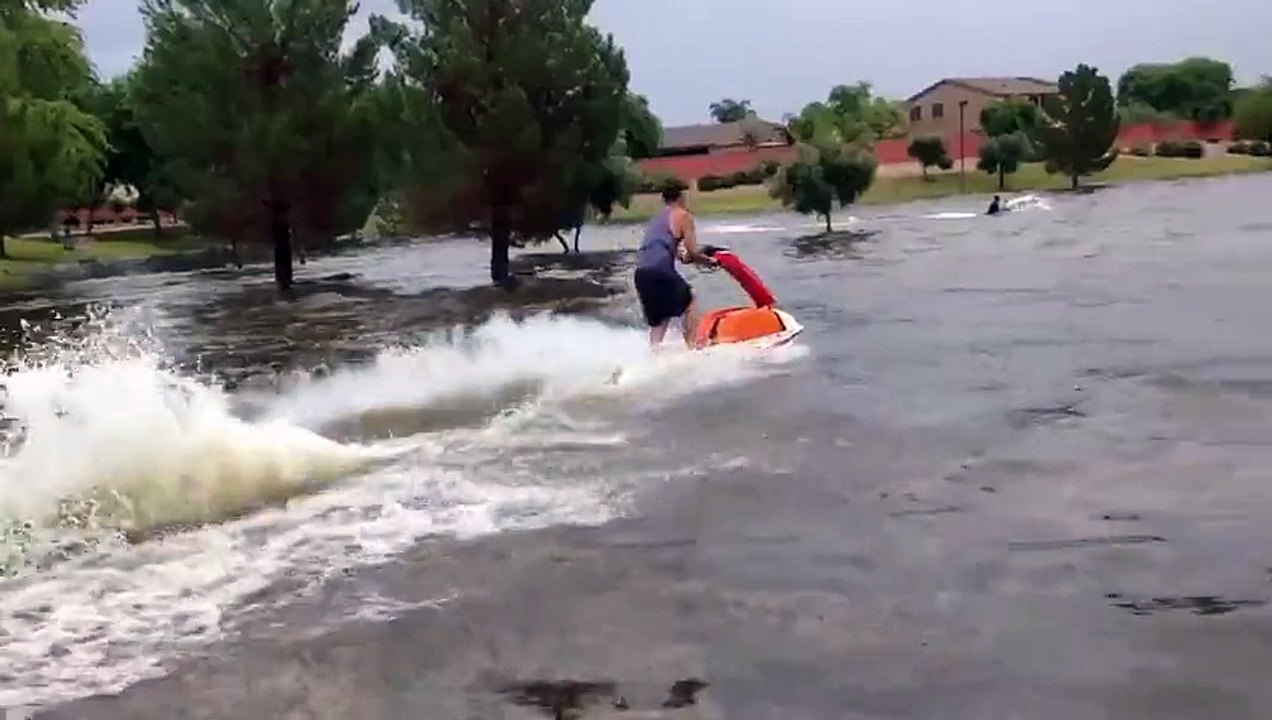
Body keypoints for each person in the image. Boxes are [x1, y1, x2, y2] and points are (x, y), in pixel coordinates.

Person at [634, 182, 716, 348]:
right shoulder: (683, 216)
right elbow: (692, 251)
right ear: (681, 197)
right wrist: (709, 261)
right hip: (659, 270)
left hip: (641, 273)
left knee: (660, 318)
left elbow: (675, 252)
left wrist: (688, 258)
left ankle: (653, 355)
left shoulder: (657, 219)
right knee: (690, 301)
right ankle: (693, 348)